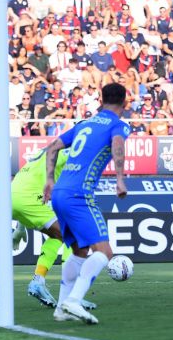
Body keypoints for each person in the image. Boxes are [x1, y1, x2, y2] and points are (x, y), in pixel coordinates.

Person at [43, 83, 130, 324]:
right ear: (125, 102)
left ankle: (61, 307)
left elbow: (52, 148)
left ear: (101, 100)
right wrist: (120, 180)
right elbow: (118, 145)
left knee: (79, 251)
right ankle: (74, 300)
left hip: (60, 191)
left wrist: (49, 180)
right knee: (104, 252)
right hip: (79, 195)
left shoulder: (85, 124)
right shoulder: (119, 124)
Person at [11, 148, 95, 310]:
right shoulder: (68, 151)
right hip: (29, 198)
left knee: (58, 236)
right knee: (75, 237)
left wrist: (20, 229)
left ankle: (38, 280)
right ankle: (71, 295)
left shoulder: (42, 153)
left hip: (12, 197)